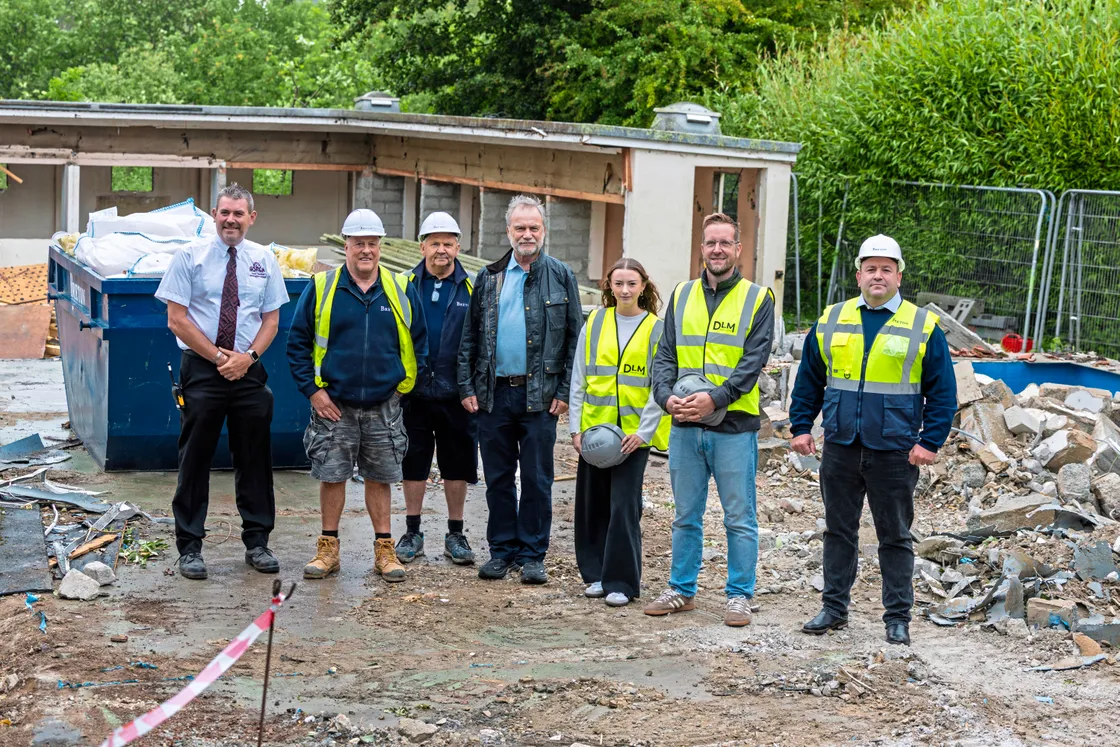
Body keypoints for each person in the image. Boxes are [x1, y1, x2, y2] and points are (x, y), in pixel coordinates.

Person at [790, 234, 955, 646]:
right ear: (859, 274)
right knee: (838, 531)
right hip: (842, 446)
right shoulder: (832, 318)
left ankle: (897, 617)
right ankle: (833, 609)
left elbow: (943, 392)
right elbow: (809, 378)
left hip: (896, 450)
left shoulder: (923, 325)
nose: (877, 276)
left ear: (899, 276)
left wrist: (929, 441)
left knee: (895, 536)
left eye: (886, 269)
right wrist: (800, 426)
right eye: (870, 268)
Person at [646, 212, 774, 627]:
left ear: (738, 249)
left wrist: (713, 399)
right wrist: (666, 399)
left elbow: (752, 363)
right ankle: (681, 590)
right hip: (683, 426)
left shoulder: (758, 298)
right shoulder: (682, 295)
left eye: (725, 243)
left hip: (733, 428)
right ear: (701, 248)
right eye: (710, 243)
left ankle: (739, 596)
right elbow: (664, 354)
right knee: (685, 514)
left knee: (739, 517)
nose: (717, 250)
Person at [155, 183, 288, 580]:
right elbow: (177, 318)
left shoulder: (263, 259)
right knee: (194, 458)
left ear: (252, 217)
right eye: (225, 212)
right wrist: (218, 358)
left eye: (238, 213)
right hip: (201, 369)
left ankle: (258, 542)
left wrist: (246, 359)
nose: (231, 220)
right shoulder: (189, 257)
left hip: (248, 371)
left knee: (255, 458)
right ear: (214, 214)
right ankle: (190, 547)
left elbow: (271, 320)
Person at [287, 208, 428, 584]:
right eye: (358, 243)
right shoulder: (322, 288)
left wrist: (401, 390)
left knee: (380, 477)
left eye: (372, 244)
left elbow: (420, 342)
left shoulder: (400, 287)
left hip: (384, 405)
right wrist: (313, 393)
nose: (366, 250)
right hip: (334, 406)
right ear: (346, 246)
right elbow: (297, 344)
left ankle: (385, 549)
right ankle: (328, 548)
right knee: (331, 475)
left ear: (380, 247)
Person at [458, 194, 582, 585]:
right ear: (508, 231)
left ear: (543, 231)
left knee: (536, 478)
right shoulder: (489, 276)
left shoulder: (561, 275)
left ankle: (532, 555)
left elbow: (575, 341)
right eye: (520, 228)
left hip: (540, 397)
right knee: (497, 478)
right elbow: (470, 337)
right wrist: (467, 386)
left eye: (534, 228)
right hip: (493, 395)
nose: (527, 234)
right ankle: (502, 551)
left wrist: (564, 390)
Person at [570, 258, 669, 607]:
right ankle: (595, 574)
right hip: (595, 435)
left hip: (631, 438)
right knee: (592, 505)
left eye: (632, 283)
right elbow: (579, 378)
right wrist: (575, 429)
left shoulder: (656, 329)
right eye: (618, 284)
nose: (625, 290)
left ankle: (622, 581)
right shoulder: (595, 322)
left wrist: (643, 433)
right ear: (609, 287)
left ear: (643, 286)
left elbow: (660, 386)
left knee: (624, 507)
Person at [396, 212, 478, 566]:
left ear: (458, 247)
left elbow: (481, 343)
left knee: (456, 464)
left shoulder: (474, 289)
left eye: (448, 243)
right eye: (434, 243)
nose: (441, 250)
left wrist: (472, 387)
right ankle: (412, 531)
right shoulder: (402, 284)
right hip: (411, 392)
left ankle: (456, 533)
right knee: (412, 462)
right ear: (422, 246)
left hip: (457, 394)